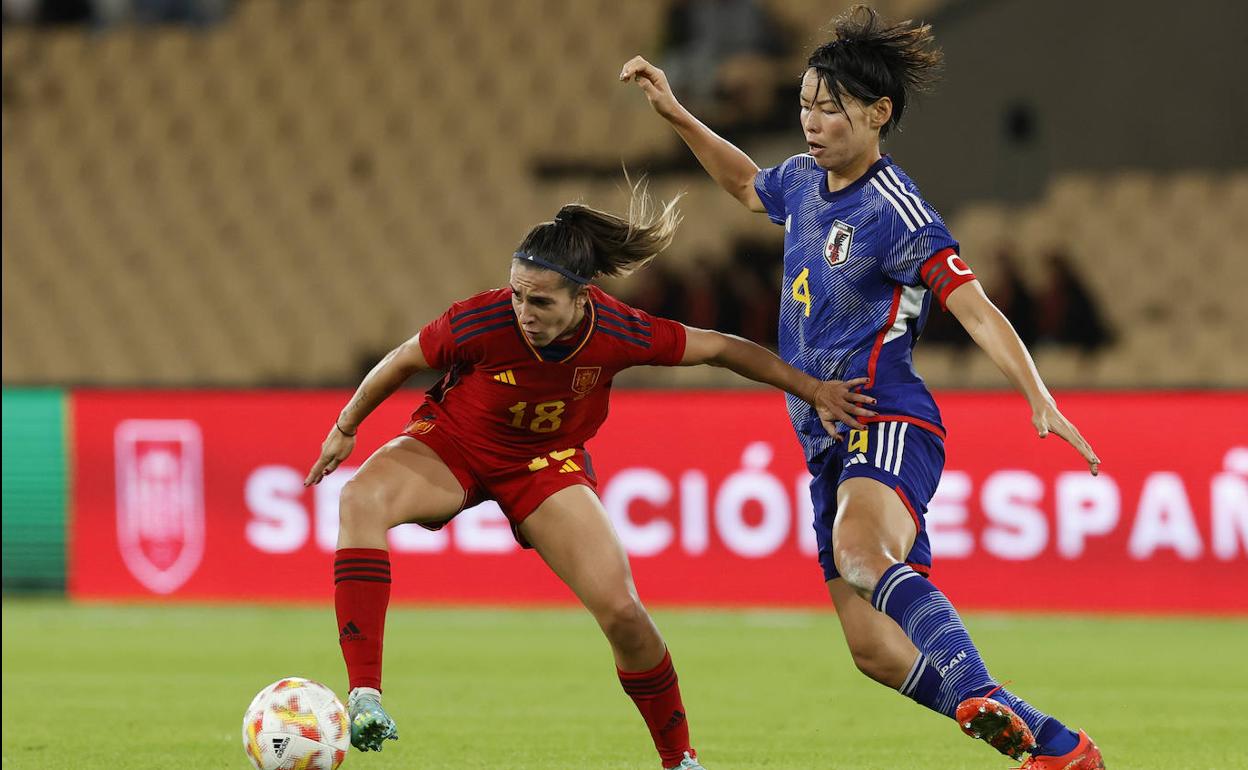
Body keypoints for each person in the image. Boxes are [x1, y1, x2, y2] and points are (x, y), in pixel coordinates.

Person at [621, 6, 1105, 769]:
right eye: (806, 105)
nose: (812, 123)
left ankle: (977, 690)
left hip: (887, 412)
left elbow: (971, 304)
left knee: (860, 549)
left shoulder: (894, 207)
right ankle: (1053, 745)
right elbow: (748, 184)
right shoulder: (807, 183)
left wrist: (1037, 393)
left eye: (831, 109)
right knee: (874, 650)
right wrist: (678, 112)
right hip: (824, 436)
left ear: (878, 114)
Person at [303, 183, 876, 769]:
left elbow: (720, 349)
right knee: (359, 499)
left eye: (542, 302)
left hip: (544, 465)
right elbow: (402, 360)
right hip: (454, 446)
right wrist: (346, 426)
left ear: (581, 298)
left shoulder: (618, 332)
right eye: (519, 294)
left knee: (625, 613)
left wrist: (811, 388)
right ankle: (365, 694)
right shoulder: (481, 319)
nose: (524, 312)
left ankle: (680, 760)